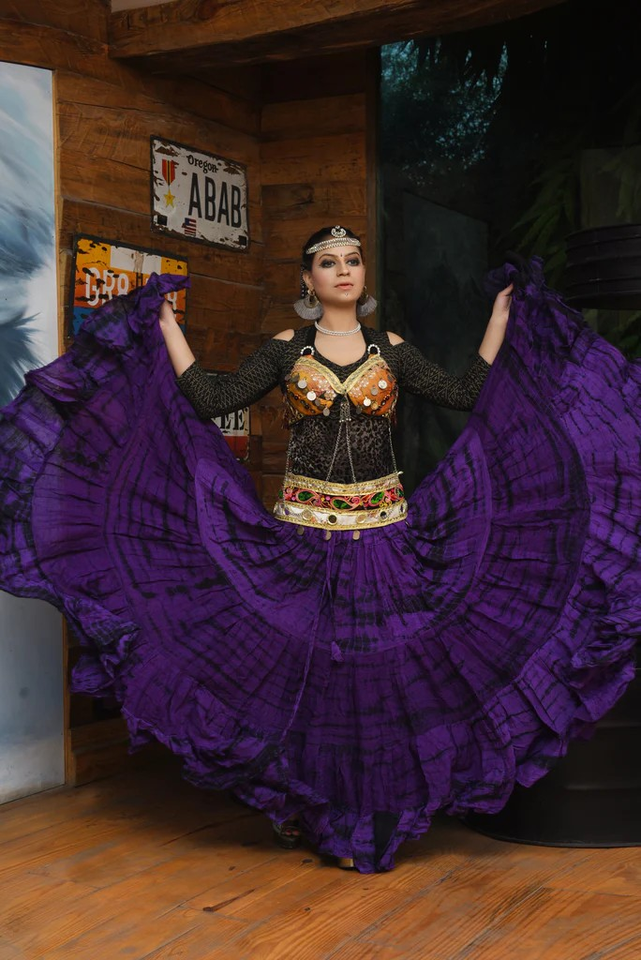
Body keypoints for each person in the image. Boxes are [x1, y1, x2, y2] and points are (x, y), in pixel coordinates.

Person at [0, 226, 639, 874]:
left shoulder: (390, 349)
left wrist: (501, 318)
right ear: (308, 280)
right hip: (302, 542)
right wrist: (165, 324)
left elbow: (464, 394)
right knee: (311, 685)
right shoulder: (286, 349)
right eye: (328, 263)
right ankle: (308, 805)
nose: (343, 270)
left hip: (384, 542)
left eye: (352, 260)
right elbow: (212, 398)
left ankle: (374, 815)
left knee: (377, 682)